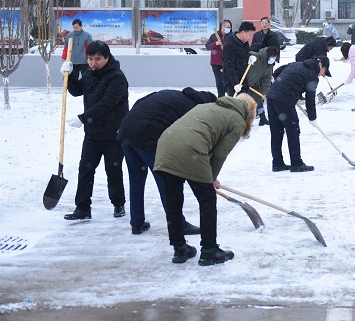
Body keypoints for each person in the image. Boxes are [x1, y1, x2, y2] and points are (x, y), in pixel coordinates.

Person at [153, 94, 256, 266]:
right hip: (191, 150)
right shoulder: (238, 120)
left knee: (173, 200)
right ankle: (209, 250)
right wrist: (211, 178)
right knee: (207, 200)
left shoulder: (206, 106)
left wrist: (208, 175)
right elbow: (220, 153)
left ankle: (179, 248)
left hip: (165, 146)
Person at [117, 87, 218, 235]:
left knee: (136, 179)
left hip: (127, 130)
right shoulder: (194, 111)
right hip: (147, 136)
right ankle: (179, 224)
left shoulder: (174, 94)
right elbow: (189, 142)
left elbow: (139, 103)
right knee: (167, 181)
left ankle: (137, 223)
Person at [61, 41, 128, 221]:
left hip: (114, 133)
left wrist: (83, 118)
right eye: (90, 59)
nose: (93, 63)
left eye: (97, 59)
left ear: (107, 57)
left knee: (113, 170)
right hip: (92, 134)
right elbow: (76, 91)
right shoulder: (90, 74)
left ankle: (118, 203)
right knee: (85, 170)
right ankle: (82, 208)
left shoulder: (117, 78)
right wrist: (70, 74)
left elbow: (106, 104)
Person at [265, 56, 331, 172]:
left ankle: (277, 163)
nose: (322, 75)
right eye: (324, 72)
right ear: (321, 65)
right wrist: (312, 118)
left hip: (271, 97)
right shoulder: (312, 76)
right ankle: (296, 163)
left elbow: (276, 72)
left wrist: (284, 84)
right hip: (285, 100)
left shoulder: (295, 64)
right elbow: (310, 100)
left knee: (277, 132)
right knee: (293, 131)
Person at [244, 46, 280, 126]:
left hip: (254, 83)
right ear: (268, 55)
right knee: (244, 101)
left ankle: (262, 118)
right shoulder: (255, 57)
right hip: (243, 82)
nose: (273, 59)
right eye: (273, 57)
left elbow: (266, 79)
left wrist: (265, 93)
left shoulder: (268, 65)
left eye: (275, 57)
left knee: (258, 98)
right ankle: (244, 120)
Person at [222, 21, 256, 96]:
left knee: (245, 104)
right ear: (243, 32)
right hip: (233, 82)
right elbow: (229, 66)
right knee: (236, 105)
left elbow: (244, 55)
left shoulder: (244, 43)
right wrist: (235, 84)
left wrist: (249, 56)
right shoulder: (230, 45)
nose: (249, 38)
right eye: (249, 35)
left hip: (243, 79)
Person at [205, 20, 232, 97]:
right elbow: (207, 46)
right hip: (216, 63)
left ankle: (230, 98)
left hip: (227, 62)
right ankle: (221, 98)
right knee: (219, 82)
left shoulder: (231, 36)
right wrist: (215, 44)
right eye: (226, 27)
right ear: (222, 27)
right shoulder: (214, 36)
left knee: (228, 82)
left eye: (229, 27)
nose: (228, 29)